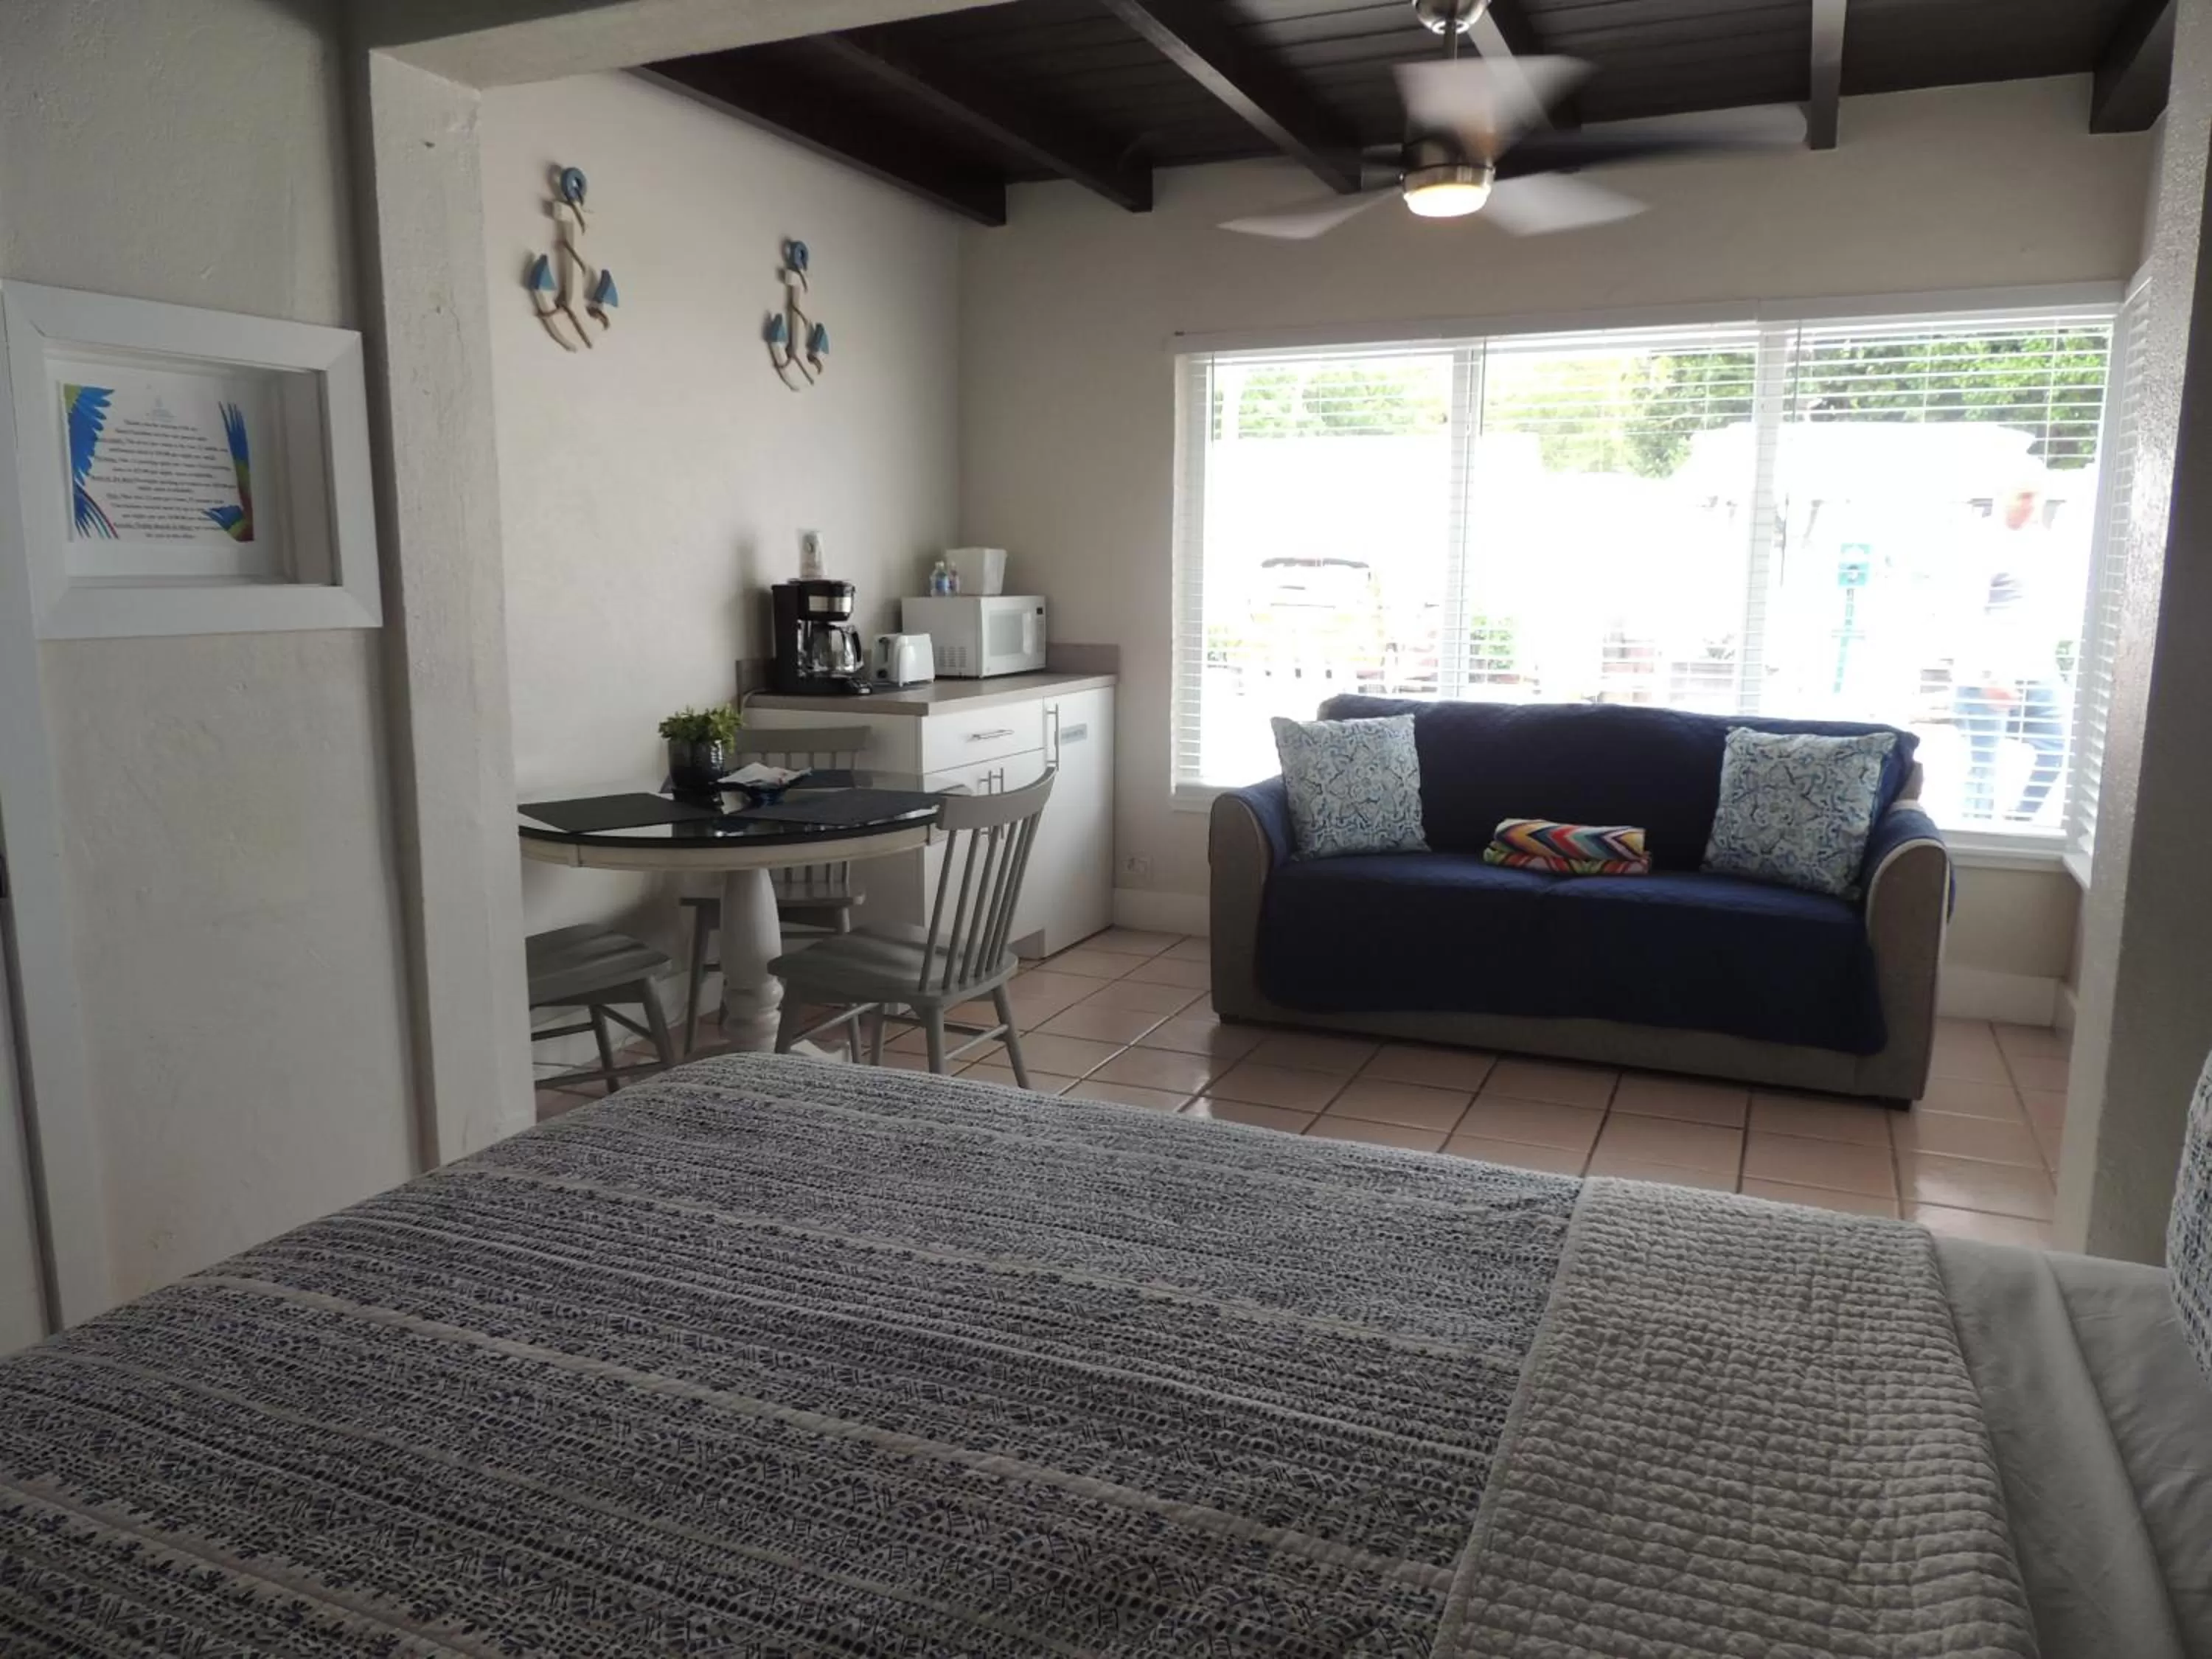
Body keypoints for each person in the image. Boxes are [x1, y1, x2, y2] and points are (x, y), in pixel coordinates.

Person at [1952, 484, 2069, 823]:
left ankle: (2018, 821)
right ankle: (1974, 842)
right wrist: (1987, 674)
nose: (2031, 504)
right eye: (2023, 495)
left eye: (2037, 496)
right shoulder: (1983, 543)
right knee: (1984, 767)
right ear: (2003, 496)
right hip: (1988, 677)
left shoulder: (2043, 544)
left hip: (2036, 671)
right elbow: (1966, 614)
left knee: (2057, 750)